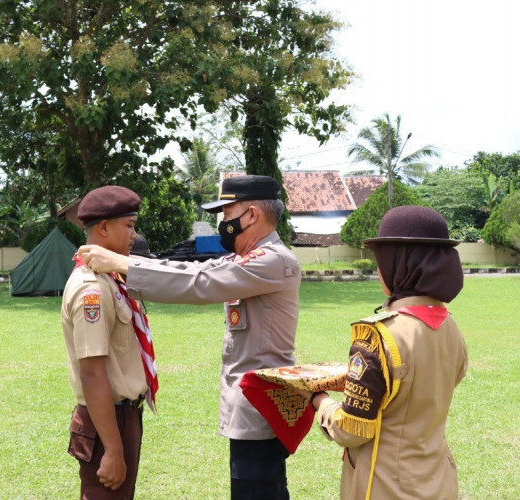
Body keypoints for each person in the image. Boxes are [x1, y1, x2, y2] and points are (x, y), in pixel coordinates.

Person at [78, 175, 301, 499]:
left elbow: (201, 281)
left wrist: (122, 263)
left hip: (261, 408)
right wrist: (130, 264)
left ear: (252, 215)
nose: (223, 222)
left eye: (227, 213)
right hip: (253, 407)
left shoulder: (272, 260)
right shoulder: (248, 258)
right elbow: (192, 270)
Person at [304, 205, 468, 500]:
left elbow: (352, 429)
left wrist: (320, 401)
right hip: (439, 482)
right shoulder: (450, 326)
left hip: (385, 487)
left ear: (398, 264)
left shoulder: (376, 335)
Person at [62, 185, 158, 499]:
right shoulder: (92, 288)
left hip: (122, 416)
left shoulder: (109, 278)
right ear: (103, 228)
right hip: (108, 421)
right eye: (128, 226)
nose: (134, 235)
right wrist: (114, 449)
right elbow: (92, 373)